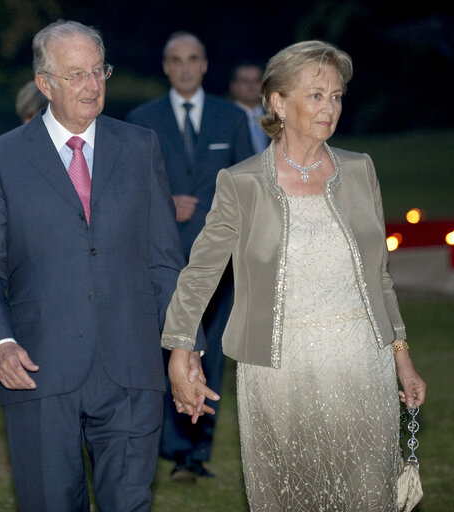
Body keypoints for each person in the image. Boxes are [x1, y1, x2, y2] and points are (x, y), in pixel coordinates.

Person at [162, 40, 427, 511]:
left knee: (367, 494)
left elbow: (379, 277)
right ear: (278, 102)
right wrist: (183, 349)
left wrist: (401, 357)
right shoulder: (241, 183)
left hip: (361, 364)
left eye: (337, 96)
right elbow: (200, 273)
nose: (330, 108)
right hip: (277, 369)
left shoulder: (360, 170)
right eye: (316, 95)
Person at [0, 20, 206, 511]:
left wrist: (187, 347)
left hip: (132, 369)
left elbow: (164, 261)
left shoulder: (141, 148)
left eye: (99, 71)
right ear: (44, 83)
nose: (92, 86)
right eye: (75, 75)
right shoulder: (3, 158)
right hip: (39, 369)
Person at [126, 31, 254, 481]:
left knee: (210, 351)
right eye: (175, 59)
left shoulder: (231, 118)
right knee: (165, 349)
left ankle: (195, 454)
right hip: (159, 260)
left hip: (218, 264)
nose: (184, 67)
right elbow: (126, 190)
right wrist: (165, 202)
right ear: (165, 66)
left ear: (204, 65)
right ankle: (169, 446)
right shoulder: (141, 121)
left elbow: (248, 182)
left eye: (193, 58)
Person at [229, 63, 270, 154]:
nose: (251, 86)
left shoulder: (276, 115)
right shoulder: (224, 118)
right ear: (234, 86)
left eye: (256, 81)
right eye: (245, 81)